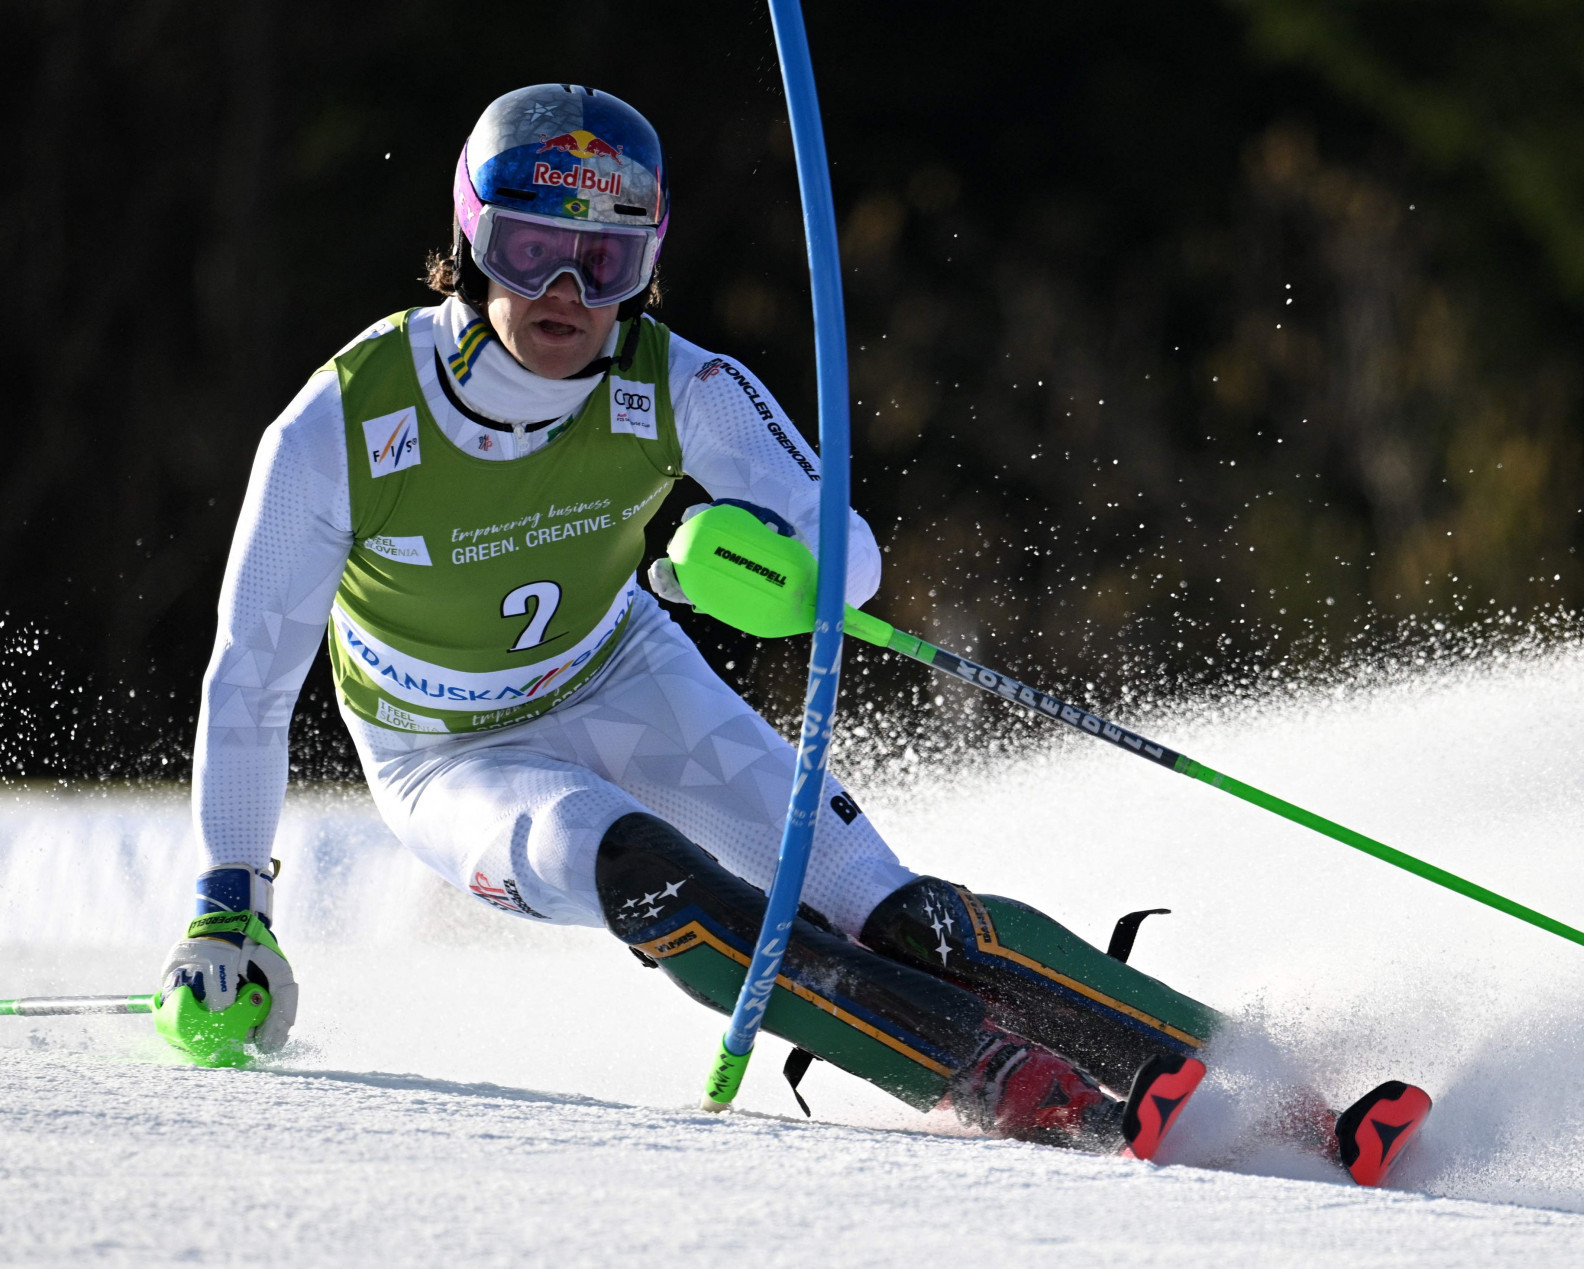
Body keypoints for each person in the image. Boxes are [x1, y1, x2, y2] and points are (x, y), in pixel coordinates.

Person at [156, 82, 1229, 1153]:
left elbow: (846, 547)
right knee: (648, 874)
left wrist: (785, 567)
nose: (568, 292)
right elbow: (250, 676)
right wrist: (229, 907)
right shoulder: (340, 422)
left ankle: (1237, 1071)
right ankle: (1013, 1084)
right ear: (472, 240)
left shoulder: (678, 383)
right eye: (533, 251)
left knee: (886, 907)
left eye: (607, 261)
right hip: (445, 753)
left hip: (620, 677)